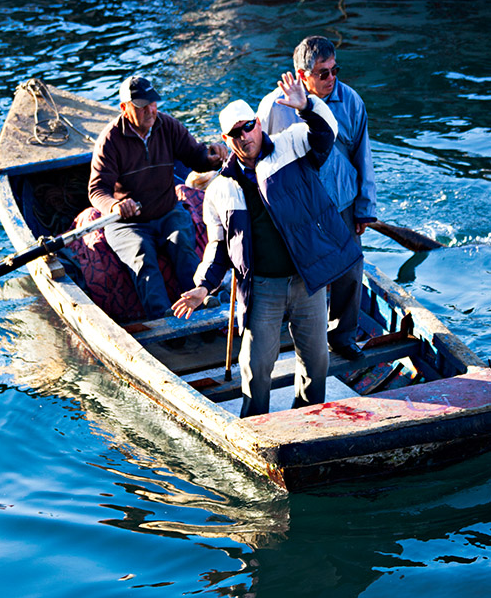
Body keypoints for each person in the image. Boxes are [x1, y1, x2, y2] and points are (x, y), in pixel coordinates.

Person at [172, 73, 362, 418]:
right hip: (262, 287)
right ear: (226, 140)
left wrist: (306, 106)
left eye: (248, 127)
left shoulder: (291, 145)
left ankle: (309, 417)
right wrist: (202, 287)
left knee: (316, 360)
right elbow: (218, 247)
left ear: (258, 124)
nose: (244, 137)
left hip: (307, 279)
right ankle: (256, 421)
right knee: (257, 365)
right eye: (234, 133)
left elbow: (325, 135)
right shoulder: (218, 190)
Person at [257, 36, 377, 360]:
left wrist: (364, 208)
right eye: (323, 73)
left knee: (351, 270)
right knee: (302, 276)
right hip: (300, 210)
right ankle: (302, 339)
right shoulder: (274, 107)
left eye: (335, 69)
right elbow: (258, 158)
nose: (332, 78)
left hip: (341, 202)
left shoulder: (351, 102)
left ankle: (343, 336)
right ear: (301, 74)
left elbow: (363, 156)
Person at [88, 75, 228, 319]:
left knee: (183, 244)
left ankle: (203, 304)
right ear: (125, 108)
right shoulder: (109, 141)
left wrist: (212, 158)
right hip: (127, 224)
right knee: (142, 256)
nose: (150, 110)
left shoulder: (167, 125)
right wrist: (115, 206)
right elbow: (97, 190)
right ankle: (163, 321)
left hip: (167, 210)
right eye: (142, 106)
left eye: (153, 103)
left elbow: (196, 156)